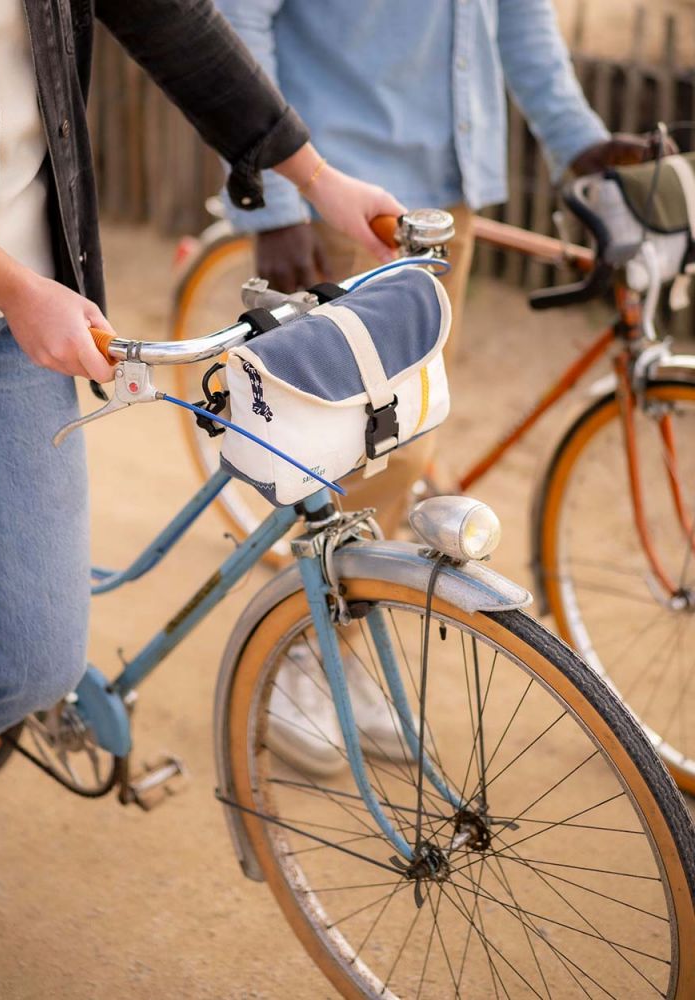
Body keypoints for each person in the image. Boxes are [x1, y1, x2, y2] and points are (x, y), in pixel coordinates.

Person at [0, 1, 404, 995]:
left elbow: (169, 19)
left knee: (36, 660)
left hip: (23, 304)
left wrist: (314, 176)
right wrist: (14, 287)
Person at [217, 0, 661, 776]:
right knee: (363, 454)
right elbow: (237, 18)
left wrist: (581, 144)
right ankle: (304, 660)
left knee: (406, 443)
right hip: (336, 184)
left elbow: (520, 22)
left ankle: (339, 650)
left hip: (447, 199)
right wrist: (275, 197)